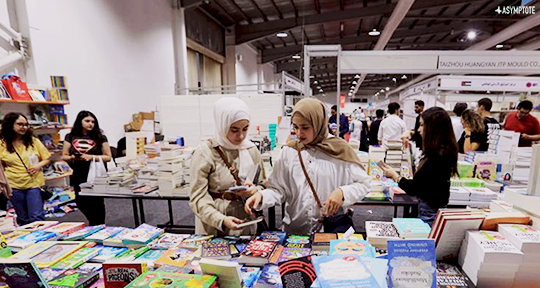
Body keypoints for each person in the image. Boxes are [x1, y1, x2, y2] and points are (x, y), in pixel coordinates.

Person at [244, 98, 371, 235]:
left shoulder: (340, 150)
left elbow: (364, 184)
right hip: (296, 234)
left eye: (305, 127)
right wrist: (261, 196)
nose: (299, 133)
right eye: (296, 127)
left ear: (319, 123)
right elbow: (278, 189)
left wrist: (342, 193)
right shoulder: (290, 151)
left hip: (331, 233)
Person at [189, 97, 266, 235]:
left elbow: (263, 184)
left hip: (245, 221)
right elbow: (198, 197)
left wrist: (255, 192)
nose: (241, 136)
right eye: (234, 129)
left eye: (245, 128)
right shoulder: (206, 152)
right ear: (221, 125)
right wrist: (221, 220)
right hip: (213, 224)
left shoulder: (251, 150)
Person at [381, 107, 458, 226]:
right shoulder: (444, 148)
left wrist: (395, 176)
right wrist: (411, 133)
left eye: (422, 125)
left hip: (429, 210)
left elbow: (414, 188)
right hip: (433, 206)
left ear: (433, 128)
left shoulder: (437, 157)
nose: (419, 130)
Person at [0, 113, 51, 225]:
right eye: (19, 124)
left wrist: (38, 165)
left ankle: (41, 240)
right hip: (14, 185)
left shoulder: (33, 141)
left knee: (36, 217)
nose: (23, 127)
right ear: (10, 125)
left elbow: (47, 158)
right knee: (23, 218)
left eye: (26, 124)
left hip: (33, 184)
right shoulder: (2, 144)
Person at [63, 111, 112, 225]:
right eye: (87, 121)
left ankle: (98, 226)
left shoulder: (100, 137)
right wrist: (74, 157)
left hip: (95, 174)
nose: (90, 124)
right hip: (79, 173)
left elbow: (108, 157)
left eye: (93, 122)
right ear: (80, 121)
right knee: (81, 202)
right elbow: (64, 155)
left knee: (97, 204)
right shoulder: (70, 136)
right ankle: (95, 224)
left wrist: (91, 157)